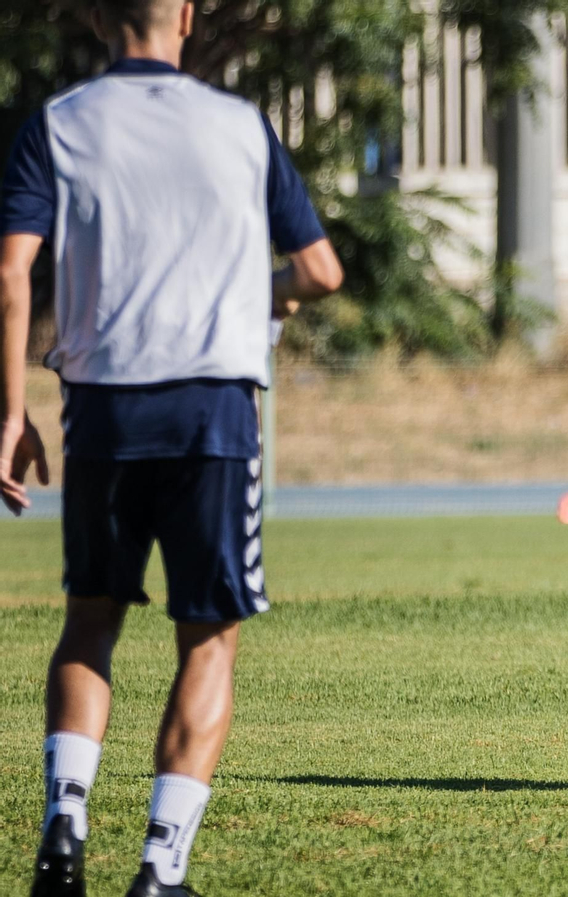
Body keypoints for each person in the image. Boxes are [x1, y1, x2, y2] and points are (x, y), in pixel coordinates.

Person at [0, 1, 343, 892]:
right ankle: (161, 866)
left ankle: (65, 824)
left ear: (101, 15)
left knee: (92, 615)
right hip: (212, 412)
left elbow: (11, 272)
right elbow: (320, 270)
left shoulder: (59, 124)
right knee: (208, 639)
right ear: (187, 16)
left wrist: (9, 410)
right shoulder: (239, 126)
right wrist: (260, 293)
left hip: (104, 406)